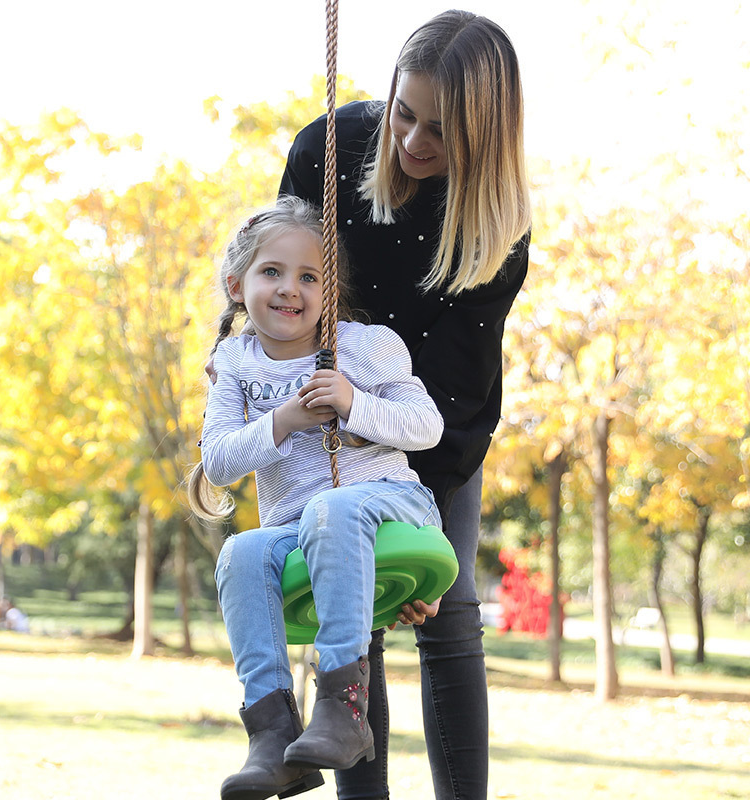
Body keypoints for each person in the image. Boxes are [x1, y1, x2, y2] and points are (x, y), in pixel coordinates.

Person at [277, 10, 531, 799]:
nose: (414, 141)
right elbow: (275, 272)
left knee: (445, 611)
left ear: (486, 138)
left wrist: (417, 523)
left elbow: (462, 393)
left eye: (442, 132)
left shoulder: (497, 230)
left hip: (428, 429)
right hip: (325, 415)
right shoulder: (330, 147)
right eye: (405, 113)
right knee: (355, 616)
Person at [189, 196, 444, 800]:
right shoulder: (235, 363)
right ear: (236, 284)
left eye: (309, 276)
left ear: (328, 290)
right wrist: (284, 420)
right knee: (242, 554)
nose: (290, 289)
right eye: (271, 272)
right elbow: (218, 462)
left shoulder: (364, 345)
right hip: (302, 529)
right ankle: (273, 735)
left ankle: (342, 707)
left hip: (392, 507)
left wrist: (355, 402)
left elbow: (426, 427)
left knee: (336, 507)